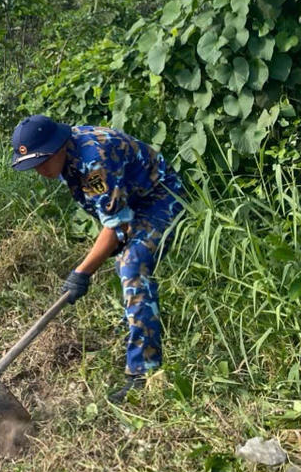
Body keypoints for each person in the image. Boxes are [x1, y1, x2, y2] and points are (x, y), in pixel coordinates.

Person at [9, 115, 184, 402]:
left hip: (160, 198)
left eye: (42, 161)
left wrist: (81, 272)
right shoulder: (67, 154)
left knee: (133, 265)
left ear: (57, 147)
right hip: (131, 200)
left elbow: (115, 227)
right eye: (33, 165)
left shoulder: (94, 159)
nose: (40, 170)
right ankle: (137, 326)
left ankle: (144, 374)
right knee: (125, 263)